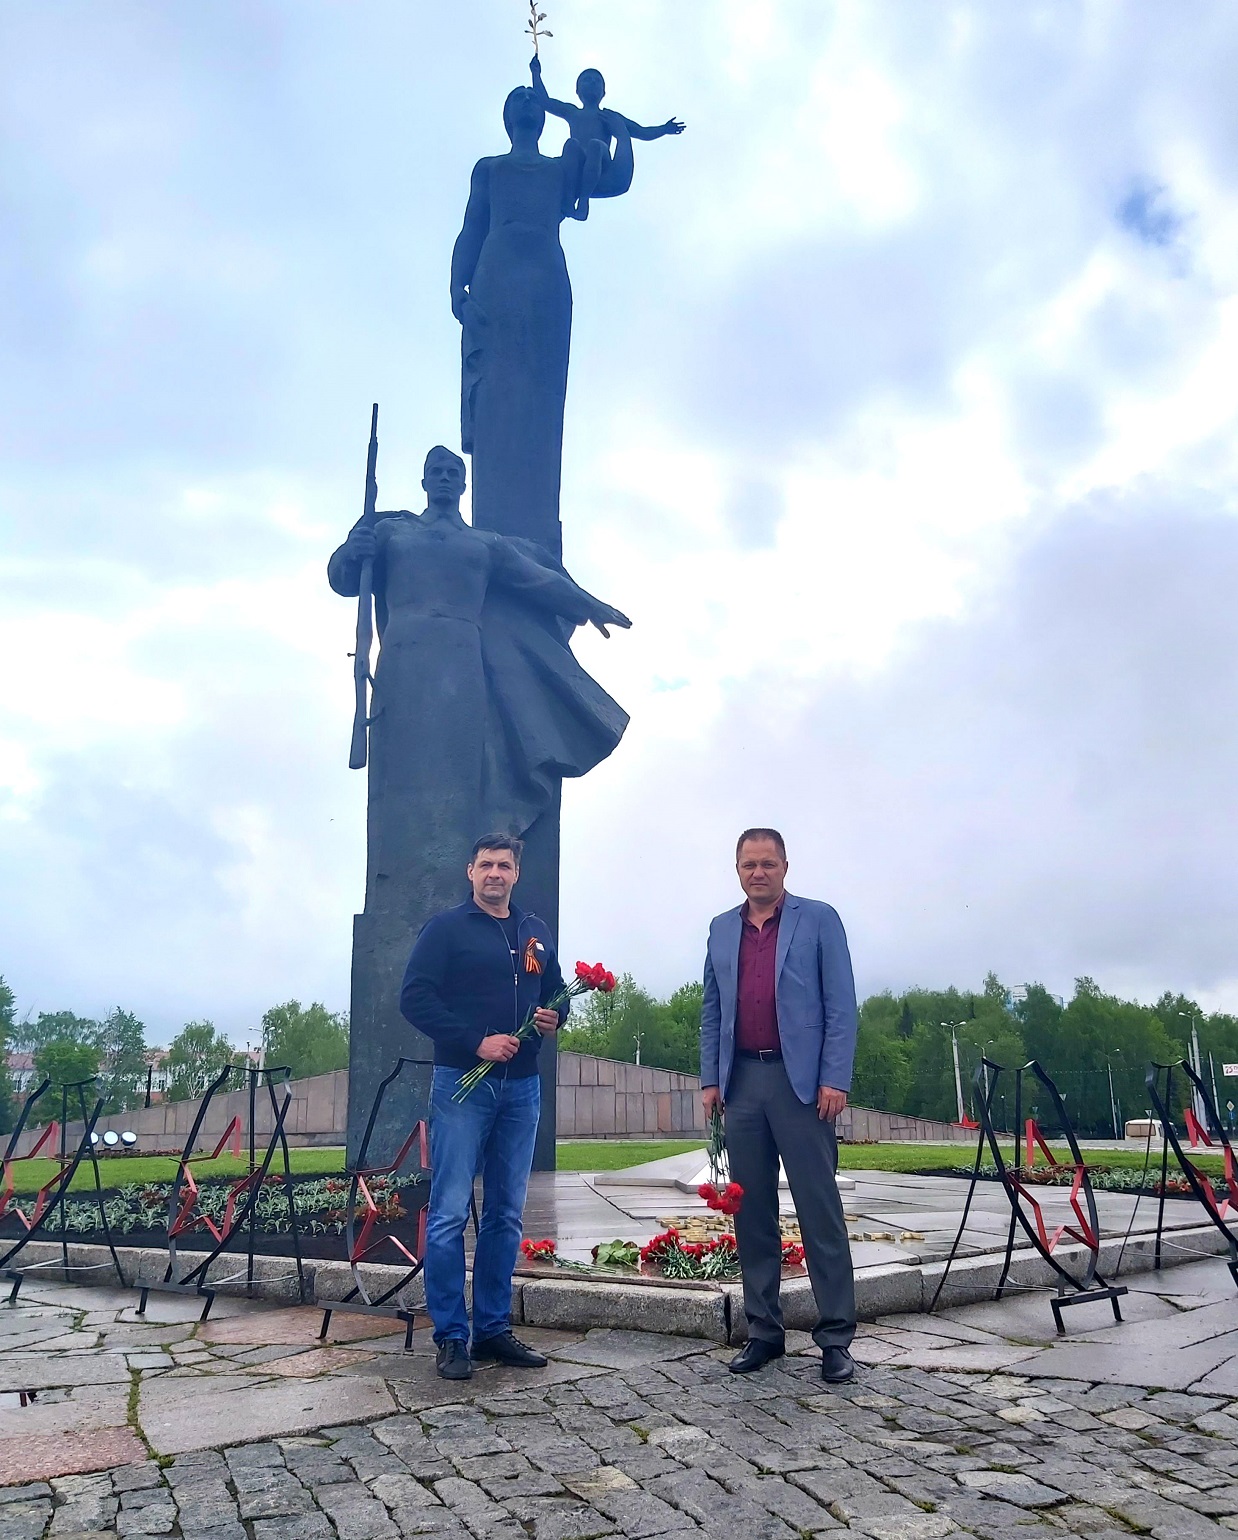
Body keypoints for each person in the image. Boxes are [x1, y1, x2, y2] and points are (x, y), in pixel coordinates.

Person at [400, 833, 569, 1380]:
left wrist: (555, 1016)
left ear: (517, 873)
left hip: (522, 1086)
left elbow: (556, 992)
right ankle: (452, 1336)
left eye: (504, 865)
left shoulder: (534, 931)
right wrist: (475, 1042)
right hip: (463, 1085)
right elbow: (414, 998)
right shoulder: (446, 929)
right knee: (450, 1212)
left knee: (505, 1213)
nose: (495, 873)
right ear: (470, 872)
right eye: (486, 864)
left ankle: (493, 1328)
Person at [700, 828, 859, 1383]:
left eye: (768, 863)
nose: (758, 872)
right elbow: (712, 1010)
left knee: (819, 1211)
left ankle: (835, 1338)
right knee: (752, 1216)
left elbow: (841, 1004)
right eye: (749, 864)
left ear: (785, 867)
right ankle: (764, 1332)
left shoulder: (819, 920)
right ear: (737, 870)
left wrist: (834, 1077)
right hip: (742, 1084)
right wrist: (710, 1080)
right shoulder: (721, 928)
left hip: (803, 1088)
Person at [529, 56, 684, 220]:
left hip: (601, 158)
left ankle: (583, 202)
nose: (592, 82)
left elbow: (641, 131)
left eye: (597, 81)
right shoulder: (573, 112)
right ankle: (569, 199)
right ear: (578, 91)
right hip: (580, 158)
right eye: (587, 80)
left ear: (603, 92)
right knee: (571, 145)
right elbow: (545, 102)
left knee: (595, 145)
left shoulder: (608, 116)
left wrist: (664, 129)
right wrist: (536, 73)